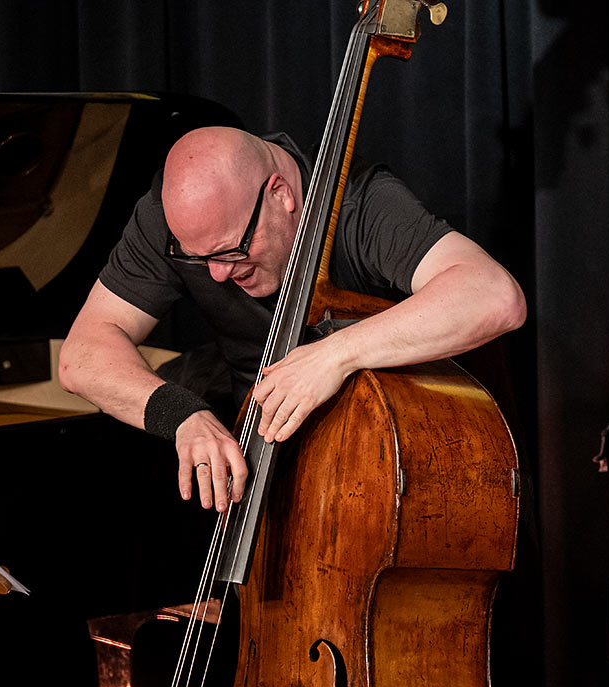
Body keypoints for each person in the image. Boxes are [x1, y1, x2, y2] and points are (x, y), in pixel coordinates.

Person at [59, 126, 526, 512]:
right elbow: (81, 355)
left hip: (390, 488)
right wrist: (182, 415)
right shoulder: (180, 218)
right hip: (266, 494)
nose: (217, 274)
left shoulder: (360, 204)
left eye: (231, 250)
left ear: (280, 193)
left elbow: (493, 294)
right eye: (198, 259)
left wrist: (336, 354)